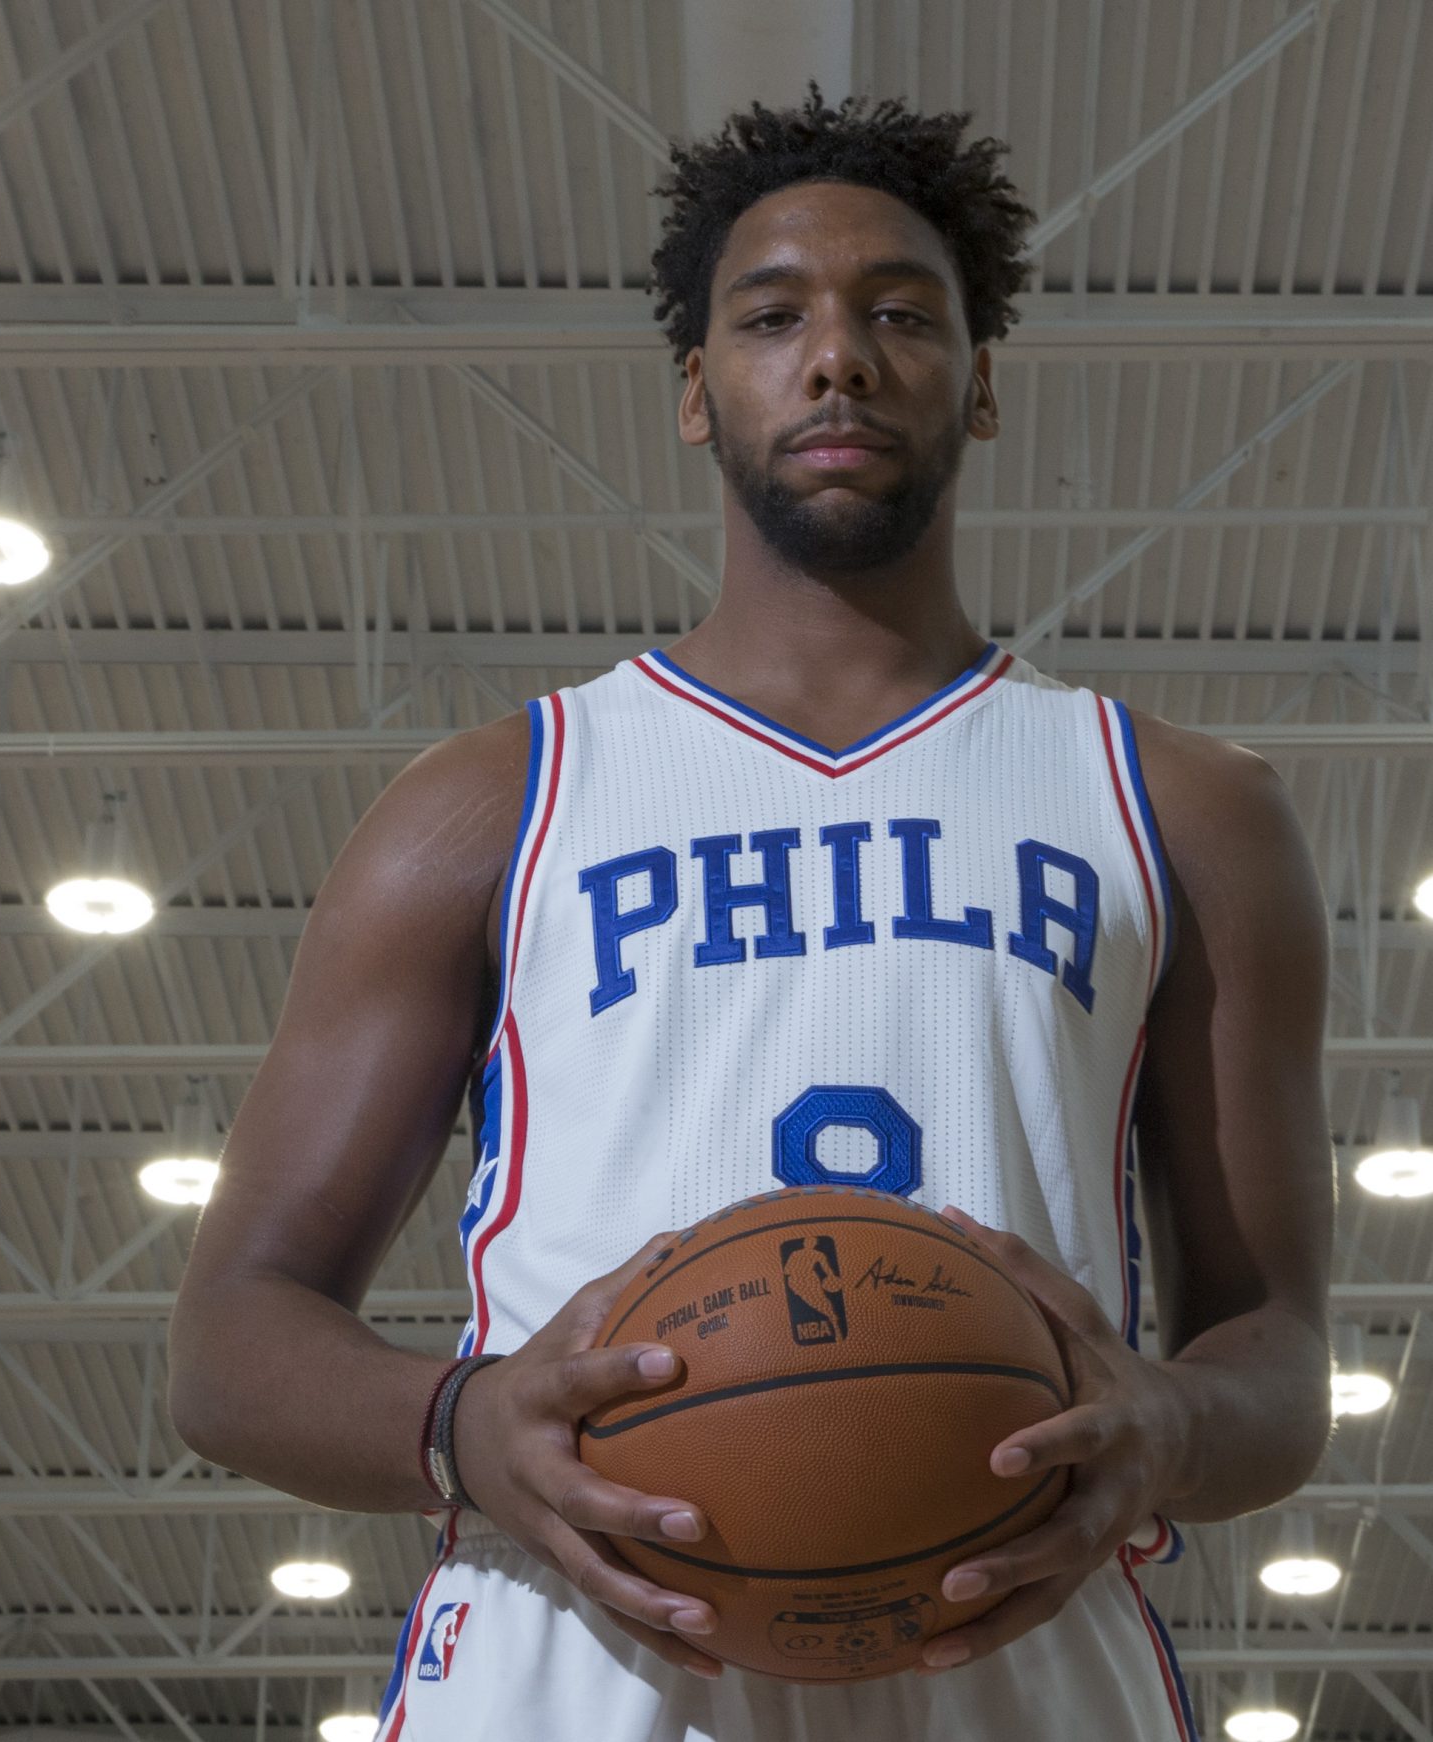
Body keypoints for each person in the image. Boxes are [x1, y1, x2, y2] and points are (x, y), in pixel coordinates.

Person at [168, 85, 1333, 1741]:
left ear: (981, 384)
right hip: (572, 1667)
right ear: (697, 392)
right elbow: (229, 1334)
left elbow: (1277, 1352)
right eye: (773, 316)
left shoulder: (1185, 807)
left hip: (1019, 1660)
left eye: (901, 314)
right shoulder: (492, 802)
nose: (838, 357)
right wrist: (464, 1425)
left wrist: (1169, 1422)